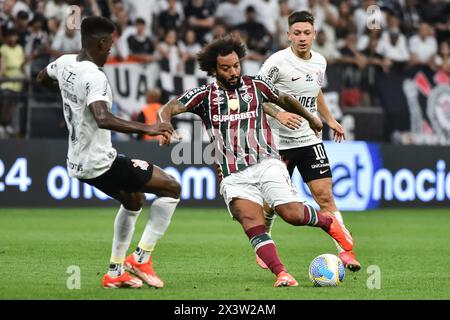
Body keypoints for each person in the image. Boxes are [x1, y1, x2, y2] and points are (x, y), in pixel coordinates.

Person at [158, 35, 354, 287]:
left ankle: (328, 223)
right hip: (233, 175)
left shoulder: (255, 85)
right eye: (226, 68)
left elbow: (284, 99)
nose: (233, 72)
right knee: (253, 223)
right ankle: (282, 273)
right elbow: (169, 107)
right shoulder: (204, 96)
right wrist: (163, 123)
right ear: (213, 70)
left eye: (236, 65)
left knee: (292, 215)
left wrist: (311, 118)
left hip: (267, 163)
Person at [36, 16, 181, 289]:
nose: (112, 49)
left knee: (134, 200)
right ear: (102, 43)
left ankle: (115, 273)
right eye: (111, 44)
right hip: (101, 161)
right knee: (171, 187)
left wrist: (69, 97)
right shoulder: (94, 76)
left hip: (78, 161)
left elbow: (42, 77)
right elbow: (103, 118)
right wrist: (150, 127)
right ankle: (140, 259)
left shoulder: (65, 62)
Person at [258, 11, 360, 271]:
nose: (302, 38)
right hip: (277, 142)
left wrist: (329, 119)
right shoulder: (276, 62)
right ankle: (266, 239)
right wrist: (279, 113)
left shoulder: (320, 62)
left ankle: (346, 251)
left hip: (308, 138)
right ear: (288, 35)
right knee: (272, 203)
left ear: (314, 34)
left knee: (325, 195)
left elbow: (316, 92)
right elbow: (257, 96)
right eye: (297, 33)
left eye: (307, 33)